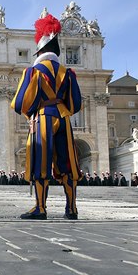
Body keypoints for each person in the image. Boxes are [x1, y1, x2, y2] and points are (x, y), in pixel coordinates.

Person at [11, 12, 82, 220]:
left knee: (40, 161)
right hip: (64, 118)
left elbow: (20, 101)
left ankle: (40, 208)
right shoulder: (68, 73)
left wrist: (31, 112)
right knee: (67, 162)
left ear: (40, 51)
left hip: (42, 117)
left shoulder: (33, 72)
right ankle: (72, 208)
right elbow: (76, 103)